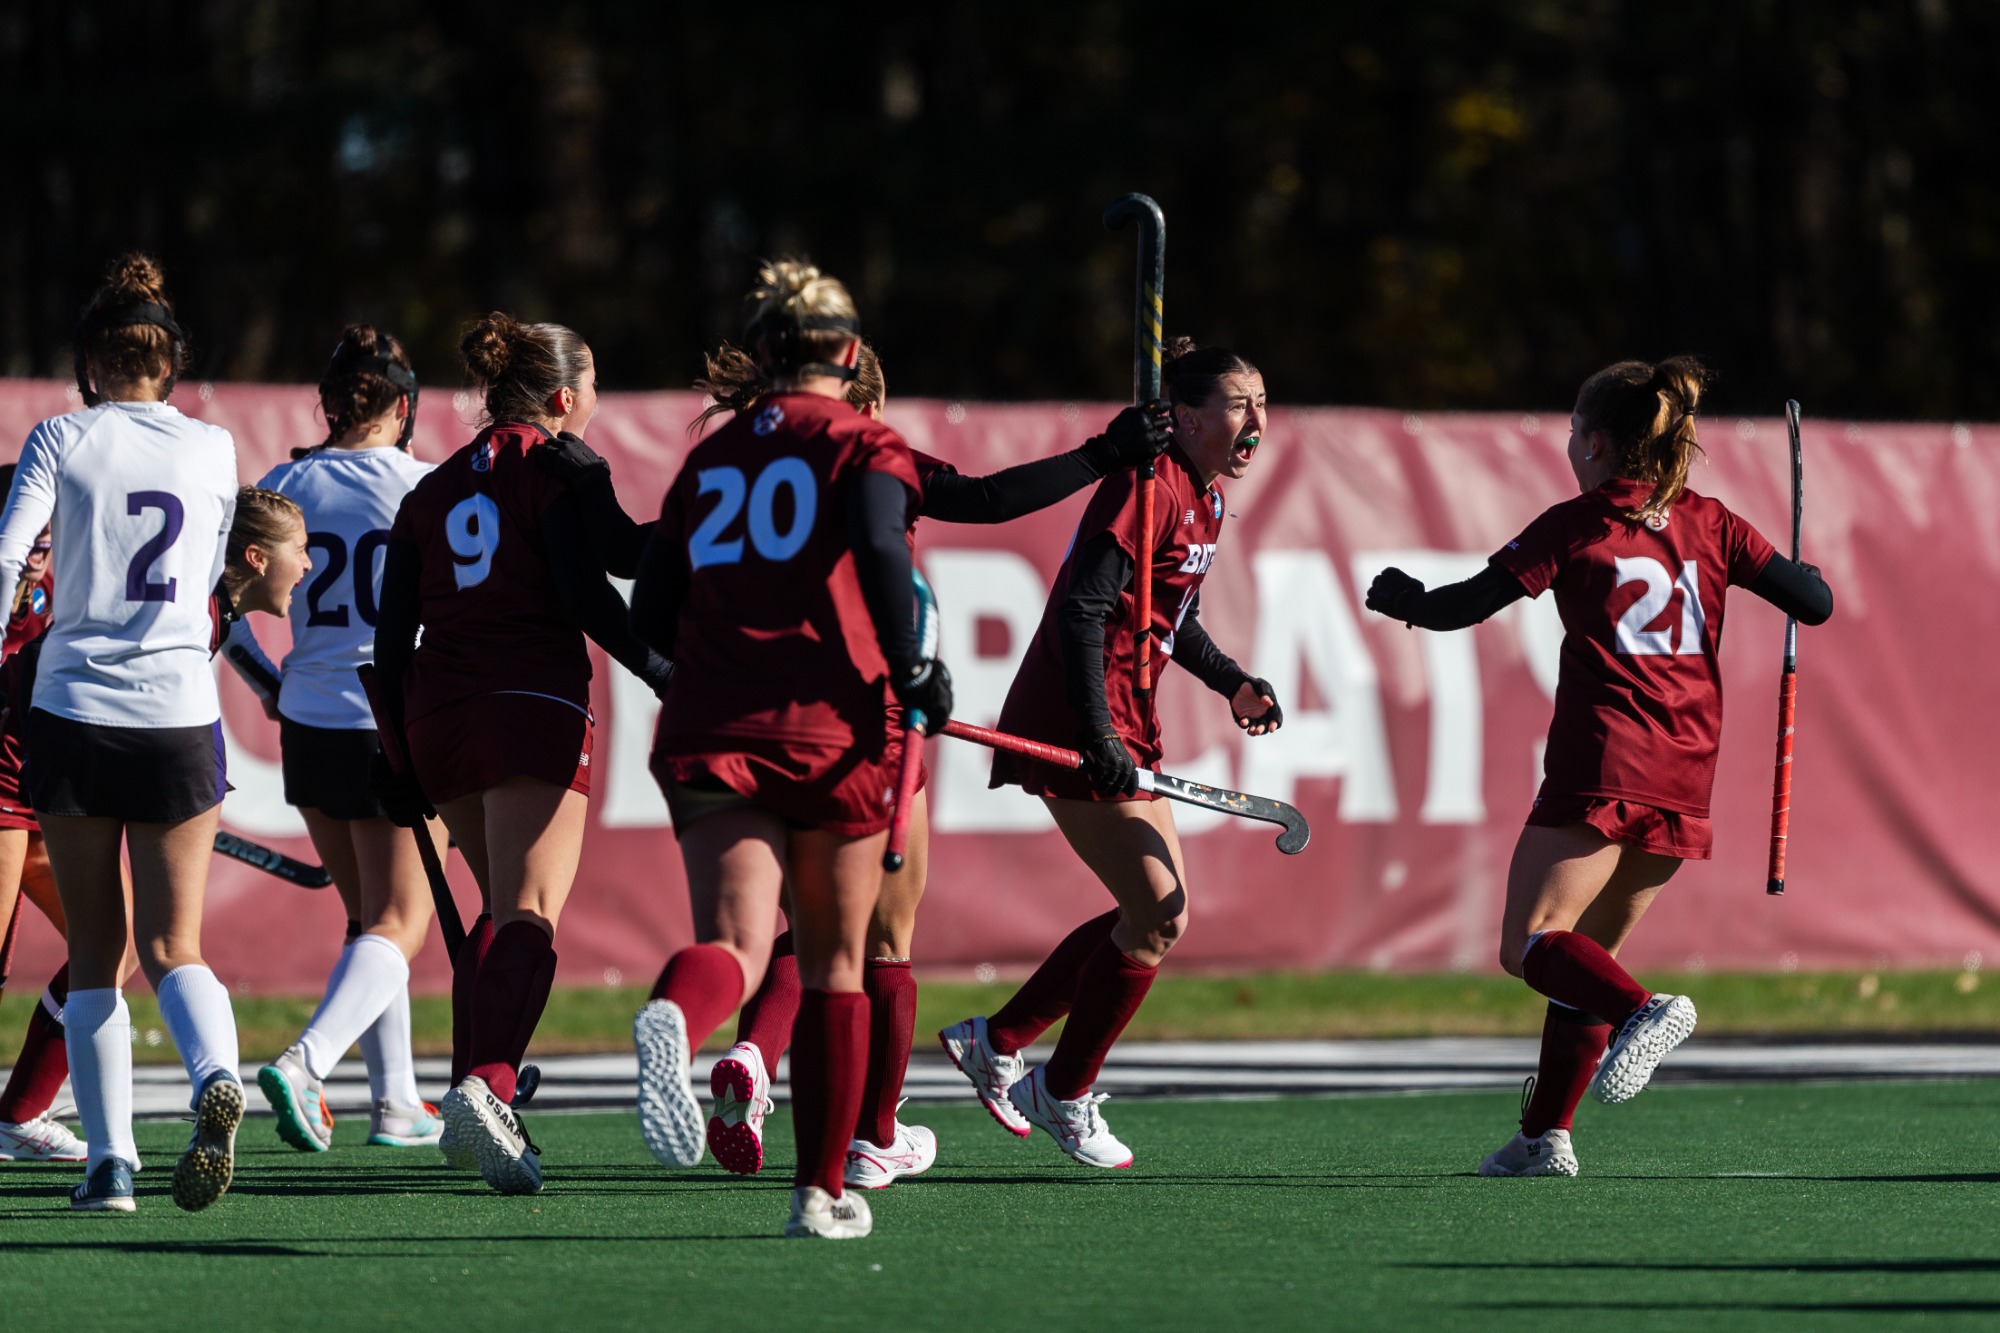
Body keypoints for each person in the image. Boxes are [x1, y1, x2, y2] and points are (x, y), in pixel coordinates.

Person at [1362, 356, 1834, 1177]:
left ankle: (1640, 1010)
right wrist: (1811, 577)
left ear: (1599, 442)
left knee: (1529, 944)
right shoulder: (1713, 520)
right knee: (1580, 956)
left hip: (1604, 758)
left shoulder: (1578, 522)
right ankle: (1545, 1135)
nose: (1569, 448)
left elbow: (1465, 604)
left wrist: (1403, 597)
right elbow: (1815, 603)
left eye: (1576, 435)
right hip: (1687, 770)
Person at [628, 258, 950, 1239]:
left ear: (763, 354)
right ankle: (819, 1193)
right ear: (850, 354)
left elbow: (651, 608)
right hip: (833, 728)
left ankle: (676, 1020)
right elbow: (885, 551)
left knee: (731, 940)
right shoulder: (864, 440)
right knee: (833, 966)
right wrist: (912, 667)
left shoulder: (711, 456)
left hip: (713, 722)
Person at [936, 338, 1281, 1170]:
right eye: (1241, 404)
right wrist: (1094, 736)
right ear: (1188, 416)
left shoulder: (1205, 496)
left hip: (1125, 714)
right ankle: (1060, 1086)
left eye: (1264, 402)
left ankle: (1002, 1039)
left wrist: (1231, 680)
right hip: (1077, 714)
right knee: (1160, 912)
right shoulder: (1146, 485)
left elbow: (1169, 612)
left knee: (1154, 913)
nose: (1258, 420)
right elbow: (1081, 612)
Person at [370, 312, 672, 1195]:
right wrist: (665, 672)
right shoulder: (556, 466)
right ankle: (487, 1085)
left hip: (436, 716)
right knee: (531, 912)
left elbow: (391, 647)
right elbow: (592, 592)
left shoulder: (427, 492)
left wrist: (396, 757)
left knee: (497, 919)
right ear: (566, 397)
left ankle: (477, 1100)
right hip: (529, 701)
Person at [0, 254, 244, 1213]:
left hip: (74, 711)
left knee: (96, 951)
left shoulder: (62, 433)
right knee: (176, 941)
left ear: (92, 365)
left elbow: (10, 549)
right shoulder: (217, 447)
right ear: (170, 366)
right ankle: (212, 1071)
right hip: (180, 711)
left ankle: (111, 1165)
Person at [237, 328, 444, 1154]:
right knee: (402, 921)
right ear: (402, 405)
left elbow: (224, 609)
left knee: (369, 920)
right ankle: (308, 1059)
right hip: (389, 720)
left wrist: (271, 686)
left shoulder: (286, 481)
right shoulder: (425, 486)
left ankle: (396, 1100)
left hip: (312, 718)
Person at [0, 471, 85, 1164]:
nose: (38, 544)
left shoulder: (59, 591)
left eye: (45, 532)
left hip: (41, 802)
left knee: (104, 948)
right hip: (0, 800)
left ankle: (21, 1111)